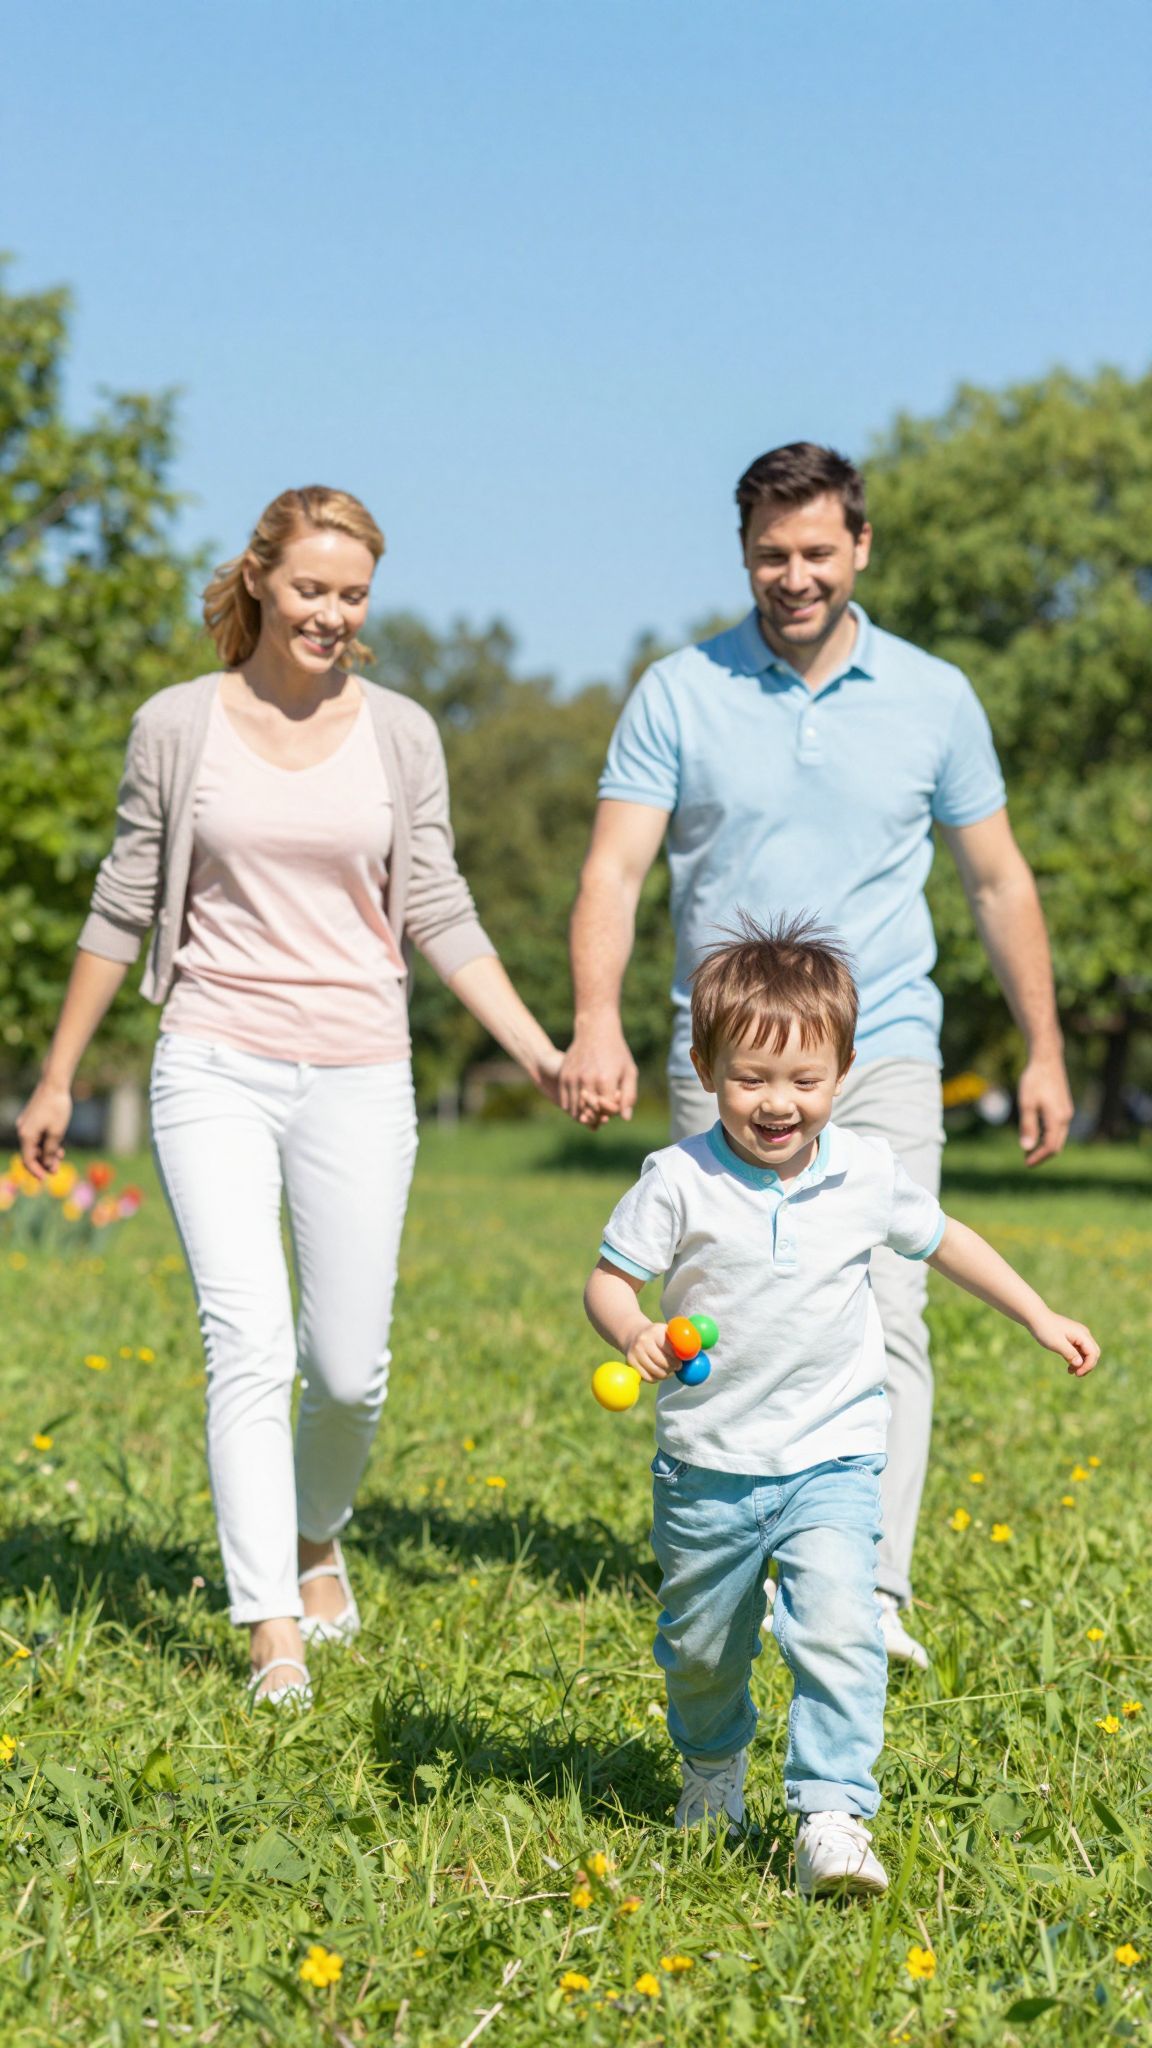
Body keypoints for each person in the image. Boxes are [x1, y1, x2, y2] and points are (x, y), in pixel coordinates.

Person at [17, 485, 565, 1705]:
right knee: (249, 1341)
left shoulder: (402, 732)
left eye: (353, 593)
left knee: (351, 1366)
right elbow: (121, 903)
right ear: (260, 576)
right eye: (310, 586)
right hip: (213, 1055)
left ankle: (319, 1531)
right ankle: (268, 1617)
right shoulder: (177, 724)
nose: (330, 612)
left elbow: (436, 905)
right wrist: (58, 1073)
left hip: (361, 1067)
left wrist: (534, 1047)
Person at [561, 442, 1074, 1666]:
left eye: (817, 552)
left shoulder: (935, 695)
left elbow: (997, 881)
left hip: (881, 1040)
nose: (794, 576)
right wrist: (593, 1017)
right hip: (727, 1047)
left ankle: (867, 1582)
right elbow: (614, 868)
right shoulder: (677, 691)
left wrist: (1045, 1047)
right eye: (771, 555)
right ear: (745, 555)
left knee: (888, 1293)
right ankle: (732, 1542)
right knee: (722, 1308)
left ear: (861, 547)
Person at [584, 918, 1097, 1894]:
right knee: (700, 1651)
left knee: (839, 1627)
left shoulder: (864, 1171)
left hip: (834, 1456)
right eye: (750, 1078)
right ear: (706, 1067)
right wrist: (632, 1331)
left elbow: (947, 1239)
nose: (778, 1103)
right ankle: (710, 1762)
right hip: (709, 1464)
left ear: (843, 1070)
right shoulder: (680, 1179)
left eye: (803, 1079)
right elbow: (610, 1280)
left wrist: (1037, 1311)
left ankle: (833, 1812)